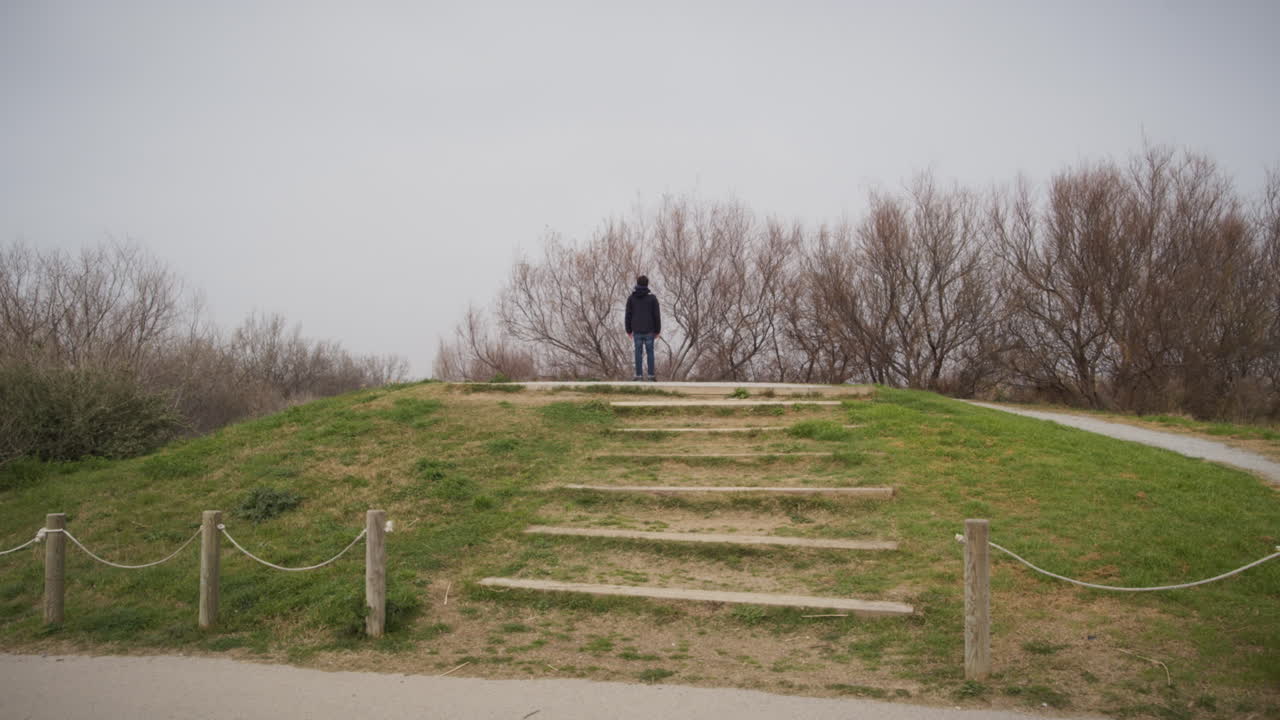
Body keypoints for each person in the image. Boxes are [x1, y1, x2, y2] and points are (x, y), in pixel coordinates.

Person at [625, 274, 661, 381]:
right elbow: (656, 315)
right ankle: (651, 376)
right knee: (650, 352)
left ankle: (639, 376)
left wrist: (628, 330)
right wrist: (657, 330)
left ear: (637, 284)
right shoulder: (652, 298)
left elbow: (628, 315)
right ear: (647, 284)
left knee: (638, 352)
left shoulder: (631, 298)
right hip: (650, 329)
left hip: (636, 329)